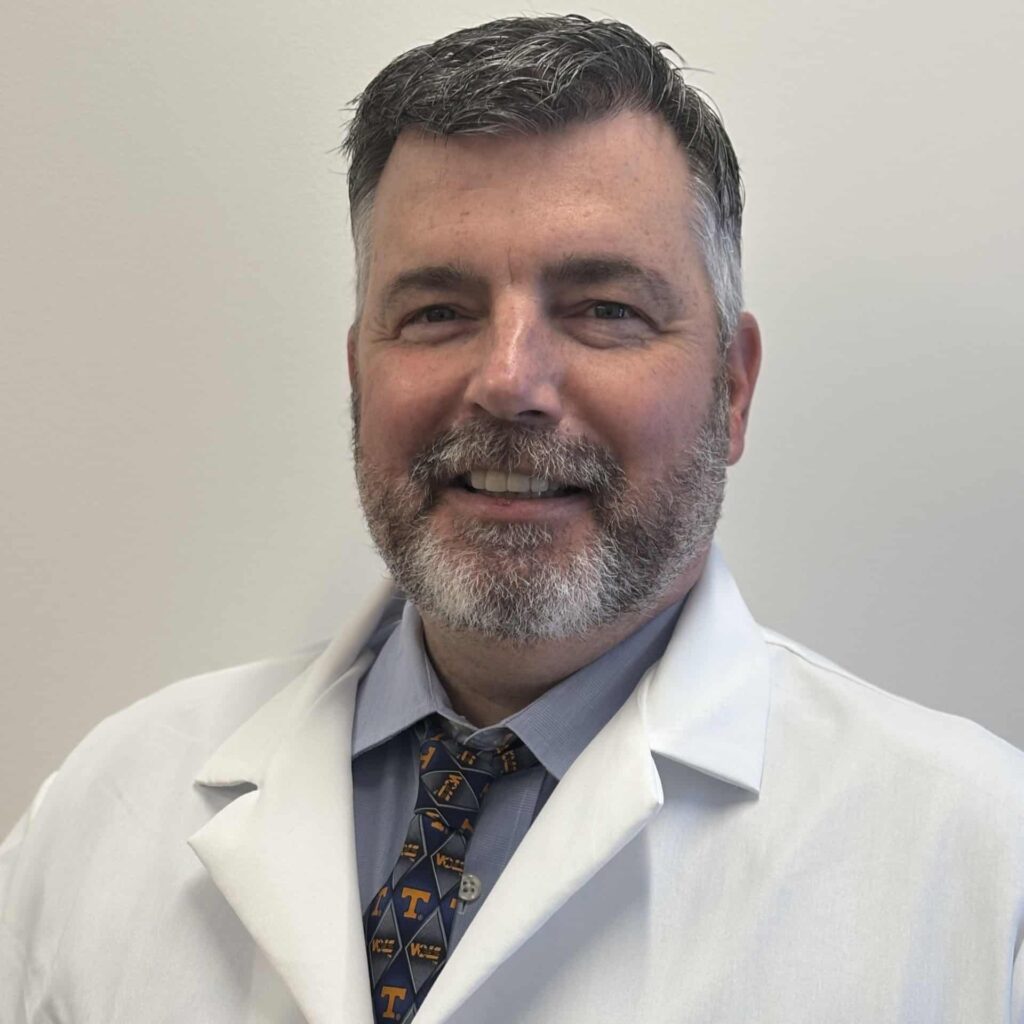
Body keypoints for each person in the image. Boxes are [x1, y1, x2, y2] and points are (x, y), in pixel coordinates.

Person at [2, 13, 1022, 1024]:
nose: (508, 382)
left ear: (733, 388)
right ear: (359, 373)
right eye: (437, 313)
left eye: (605, 310)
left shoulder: (976, 864)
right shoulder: (108, 807)